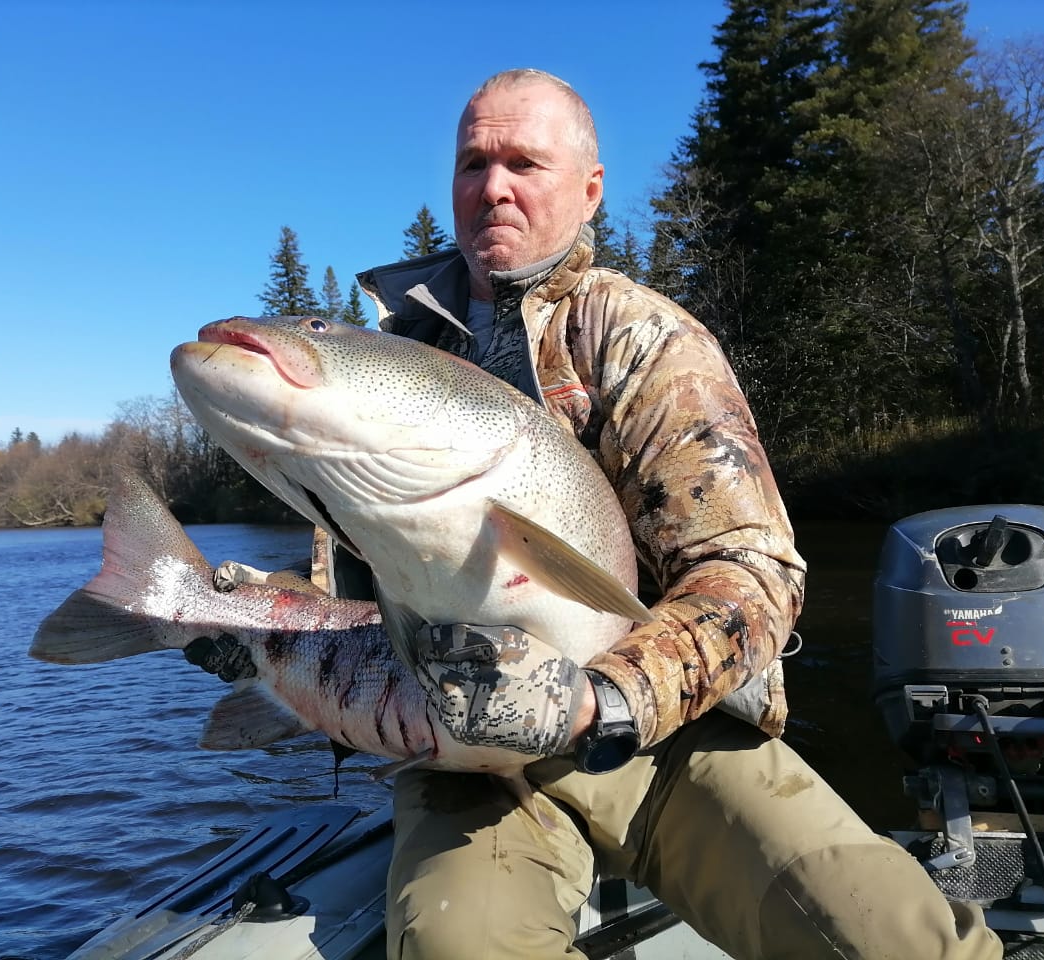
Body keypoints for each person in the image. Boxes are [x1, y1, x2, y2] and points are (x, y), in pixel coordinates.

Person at [337, 69, 1004, 960]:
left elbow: (753, 575)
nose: (492, 187)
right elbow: (351, 595)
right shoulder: (379, 367)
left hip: (671, 738)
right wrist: (250, 630)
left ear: (590, 190)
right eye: (472, 163)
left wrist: (599, 700)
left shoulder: (643, 338)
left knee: (893, 939)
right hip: (472, 765)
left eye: (524, 162)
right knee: (458, 949)